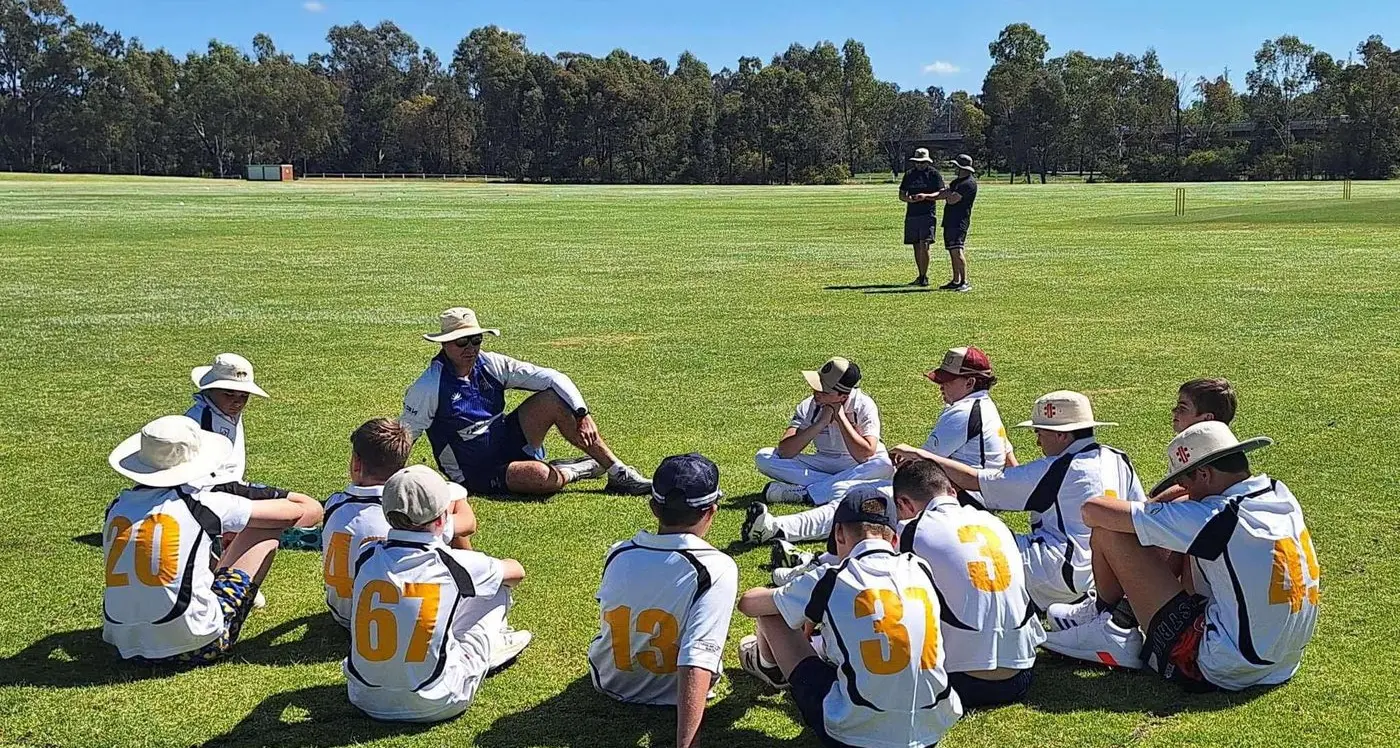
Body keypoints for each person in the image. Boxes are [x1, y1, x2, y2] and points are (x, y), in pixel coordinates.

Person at [1043, 422, 1319, 691]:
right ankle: (1119, 616)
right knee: (1180, 519)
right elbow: (1197, 507)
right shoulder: (1279, 493)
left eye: (1184, 480)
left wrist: (1152, 507)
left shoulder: (1214, 518)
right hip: (1281, 663)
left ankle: (1110, 625)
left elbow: (1093, 510)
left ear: (1204, 475)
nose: (1184, 488)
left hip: (1222, 667)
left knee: (1109, 532)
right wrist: (1175, 501)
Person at [747, 347, 1009, 571]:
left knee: (865, 506)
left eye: (947, 380)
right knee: (862, 505)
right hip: (956, 494)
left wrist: (905, 461)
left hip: (954, 499)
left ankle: (787, 538)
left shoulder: (962, 413)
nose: (940, 385)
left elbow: (920, 469)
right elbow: (1007, 455)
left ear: (970, 383)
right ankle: (803, 550)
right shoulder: (984, 407)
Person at [736, 493, 961, 748]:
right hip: (929, 729)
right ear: (894, 538)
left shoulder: (831, 577)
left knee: (773, 613)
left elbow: (749, 603)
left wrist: (792, 602)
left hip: (855, 736)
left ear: (839, 534)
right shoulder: (920, 567)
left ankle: (767, 666)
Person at [891, 390, 1145, 609]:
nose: (1037, 441)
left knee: (970, 543)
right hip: (1104, 574)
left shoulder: (1058, 468)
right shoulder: (1118, 458)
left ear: (1062, 436)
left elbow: (977, 480)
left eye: (1041, 433)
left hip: (1059, 573)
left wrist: (921, 455)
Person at [102, 415, 322, 663]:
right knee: (264, 530)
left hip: (122, 645)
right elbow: (294, 513)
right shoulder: (204, 504)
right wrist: (240, 516)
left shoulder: (117, 507)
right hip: (195, 644)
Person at [346, 465, 532, 722]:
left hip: (363, 698)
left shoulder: (365, 553)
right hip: (437, 702)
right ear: (442, 519)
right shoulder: (452, 563)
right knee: (496, 587)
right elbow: (517, 572)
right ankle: (492, 647)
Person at [400, 307, 651, 497]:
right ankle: (575, 471)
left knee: (554, 399)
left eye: (476, 340)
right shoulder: (429, 386)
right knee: (542, 478)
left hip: (505, 441)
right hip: (475, 471)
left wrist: (582, 413)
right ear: (444, 344)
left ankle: (618, 472)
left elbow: (554, 378)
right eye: (462, 341)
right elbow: (404, 437)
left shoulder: (492, 364)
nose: (471, 348)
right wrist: (388, 490)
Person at [588, 454, 739, 748]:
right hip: (673, 691)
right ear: (712, 511)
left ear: (654, 507)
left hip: (611, 682)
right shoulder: (717, 567)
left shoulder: (618, 551)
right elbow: (699, 658)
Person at [892, 461, 1044, 708]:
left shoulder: (913, 530)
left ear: (904, 504)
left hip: (963, 680)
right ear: (951, 490)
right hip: (1022, 672)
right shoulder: (995, 523)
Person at [321, 419, 478, 627]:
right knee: (439, 519)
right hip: (388, 618)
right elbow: (468, 523)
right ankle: (472, 590)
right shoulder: (403, 515)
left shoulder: (334, 503)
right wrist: (458, 497)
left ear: (357, 463)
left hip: (341, 614)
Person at [742, 357, 893, 549]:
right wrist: (819, 423)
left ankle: (807, 493)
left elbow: (865, 454)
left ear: (842, 396)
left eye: (823, 390)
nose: (815, 392)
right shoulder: (809, 405)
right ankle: (829, 488)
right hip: (824, 464)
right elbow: (786, 451)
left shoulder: (864, 405)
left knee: (884, 465)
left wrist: (840, 418)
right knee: (764, 457)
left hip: (858, 465)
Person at [899, 148, 946, 287]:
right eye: (917, 162)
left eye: (922, 162)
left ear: (927, 161)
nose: (920, 165)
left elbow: (942, 193)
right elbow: (901, 195)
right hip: (912, 215)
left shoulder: (934, 175)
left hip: (927, 214)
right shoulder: (909, 175)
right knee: (915, 246)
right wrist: (910, 199)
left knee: (924, 245)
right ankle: (920, 275)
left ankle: (924, 276)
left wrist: (925, 196)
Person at [935, 154, 979, 292]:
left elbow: (951, 199)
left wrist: (947, 194)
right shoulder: (956, 183)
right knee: (952, 251)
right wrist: (926, 196)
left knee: (957, 250)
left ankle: (964, 281)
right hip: (949, 220)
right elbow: (944, 194)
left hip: (959, 221)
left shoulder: (968, 184)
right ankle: (955, 280)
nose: (955, 169)